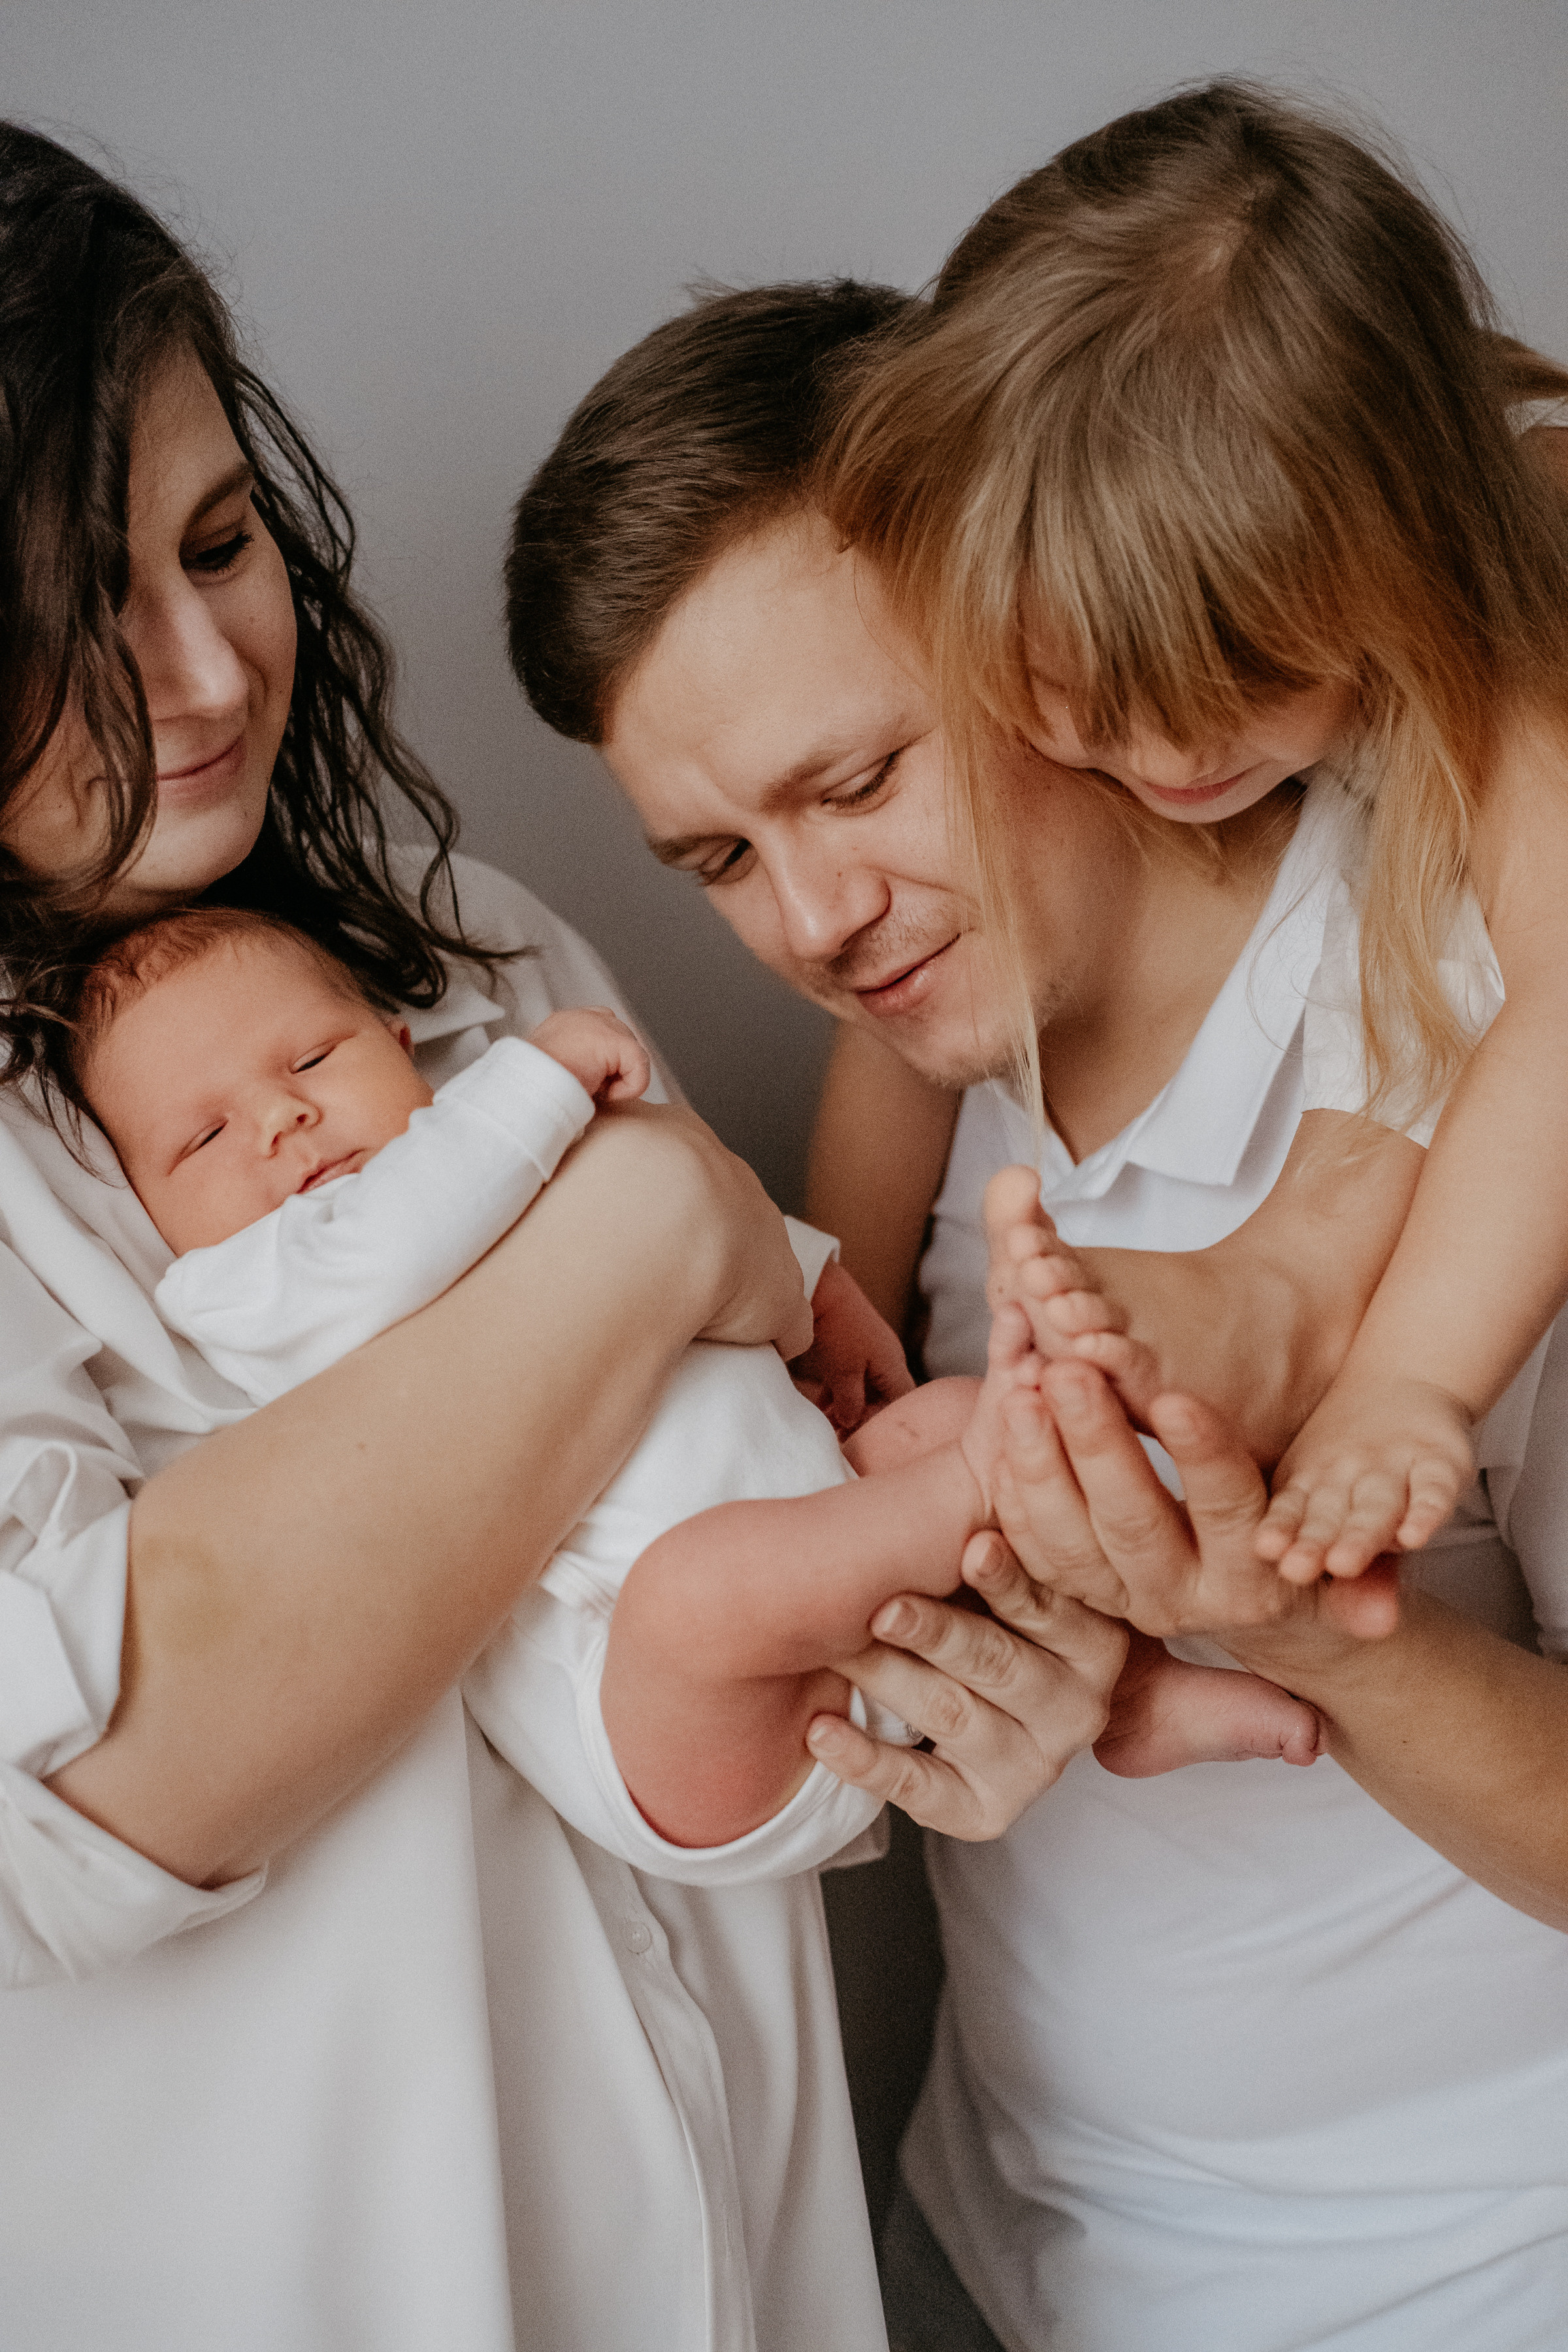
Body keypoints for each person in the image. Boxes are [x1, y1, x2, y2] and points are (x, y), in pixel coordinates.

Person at [0, 129, 1117, 2352]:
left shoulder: (476, 953)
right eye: (62, 615)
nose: (205, 676)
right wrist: (644, 1224)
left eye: (220, 543)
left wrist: (945, 1690)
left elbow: (726, 1511)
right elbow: (76, 1814)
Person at [507, 261, 1568, 2350]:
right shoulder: (937, 1041)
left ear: (1044, 627)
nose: (814, 922)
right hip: (993, 2242)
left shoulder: (1484, 1077)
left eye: (857, 782)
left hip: (1453, 2274)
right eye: (720, 859)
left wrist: (1288, 1631)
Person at [60, 903, 1313, 1842]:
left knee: (949, 1412)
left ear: (403, 1047)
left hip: (836, 1558)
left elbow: (703, 1206)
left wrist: (815, 1281)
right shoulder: (247, 1287)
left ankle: (1135, 1685)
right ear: (145, 1213)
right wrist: (534, 1083)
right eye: (205, 1136)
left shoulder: (494, 1142)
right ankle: (1011, 1480)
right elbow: (391, 1247)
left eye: (313, 1062)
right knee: (705, 1588)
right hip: (657, 1706)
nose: (279, 1121)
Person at [824, 82, 1568, 1593]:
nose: (1170, 761)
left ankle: (1291, 1301)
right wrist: (822, 1323)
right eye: (1085, 693)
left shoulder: (1511, 600)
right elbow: (889, 1043)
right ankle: (1276, 1290)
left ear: (1407, 536)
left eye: (1252, 678)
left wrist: (1412, 1380)